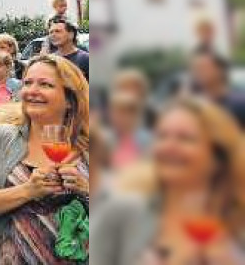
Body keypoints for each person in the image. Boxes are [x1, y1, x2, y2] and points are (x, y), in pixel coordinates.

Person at [0, 54, 91, 265]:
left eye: (45, 84)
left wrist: (86, 190)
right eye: (28, 82)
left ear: (69, 99)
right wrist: (28, 190)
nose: (32, 90)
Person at [92, 97, 245, 264]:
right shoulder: (122, 212)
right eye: (162, 136)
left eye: (185, 138)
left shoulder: (236, 226)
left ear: (218, 157)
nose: (169, 146)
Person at [188, 50, 245, 128]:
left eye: (203, 67)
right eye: (194, 68)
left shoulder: (240, 103)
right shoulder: (194, 105)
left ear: (220, 70)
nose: (197, 71)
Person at [108, 91, 153, 168]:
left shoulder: (147, 140)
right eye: (117, 112)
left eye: (126, 112)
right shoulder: (107, 138)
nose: (121, 117)